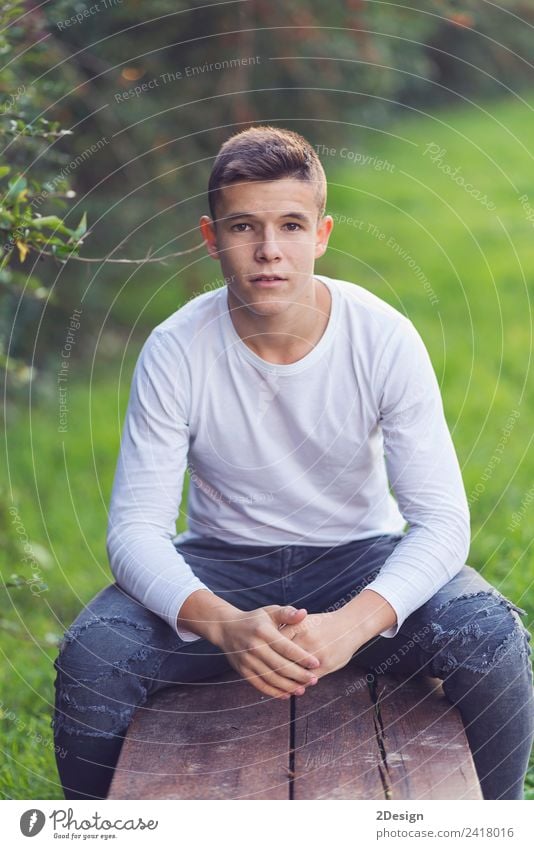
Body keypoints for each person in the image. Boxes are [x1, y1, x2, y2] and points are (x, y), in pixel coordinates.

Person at [52, 125, 533, 801]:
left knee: (491, 636)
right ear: (211, 236)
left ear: (323, 234)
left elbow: (443, 521)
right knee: (94, 655)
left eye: (291, 225)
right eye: (244, 226)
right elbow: (134, 529)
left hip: (358, 560)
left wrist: (355, 622)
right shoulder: (175, 348)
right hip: (222, 564)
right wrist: (223, 624)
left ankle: (498, 829)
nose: (269, 250)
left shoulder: (383, 337)